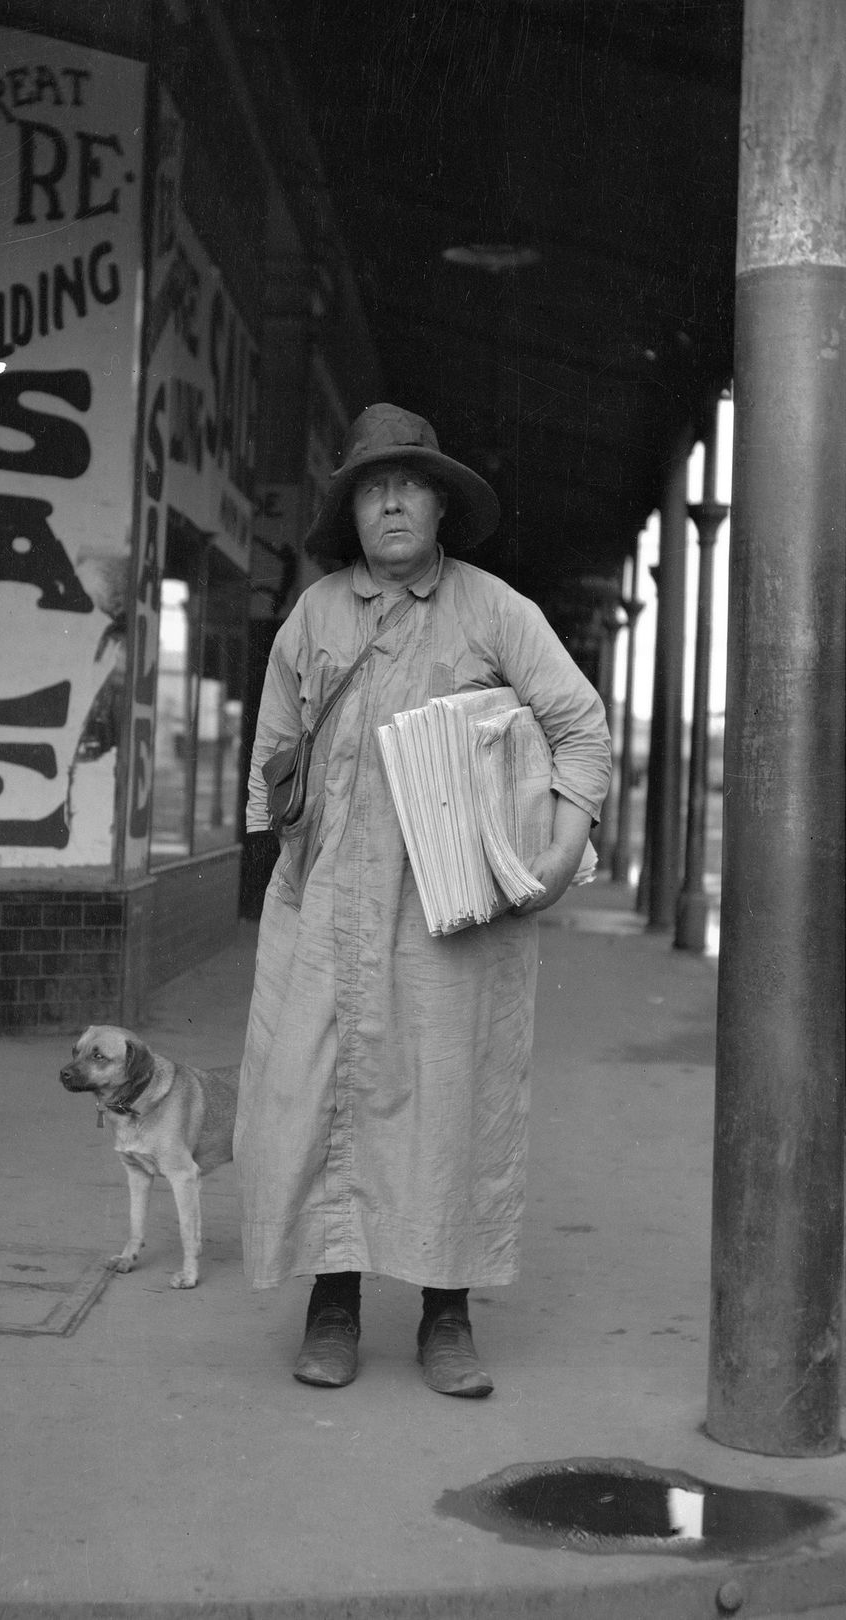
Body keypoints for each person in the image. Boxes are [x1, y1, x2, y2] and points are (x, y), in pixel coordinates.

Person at [235, 404, 612, 1396]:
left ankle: (448, 1316)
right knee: (319, 1102)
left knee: (451, 1105)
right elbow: (272, 758)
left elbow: (581, 730)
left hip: (455, 916)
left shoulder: (496, 611)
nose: (393, 501)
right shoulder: (313, 617)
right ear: (351, 511)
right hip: (328, 910)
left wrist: (557, 855)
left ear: (441, 505)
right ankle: (333, 1307)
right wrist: (293, 862)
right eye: (373, 487)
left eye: (410, 484)